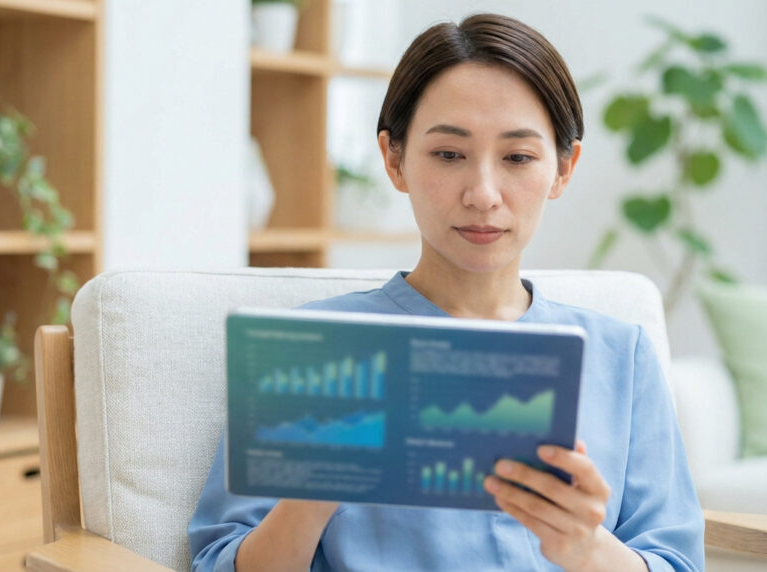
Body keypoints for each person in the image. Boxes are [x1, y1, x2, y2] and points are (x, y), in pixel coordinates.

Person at [188, 13, 704, 572]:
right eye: (449, 154)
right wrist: (311, 492)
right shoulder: (311, 350)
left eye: (518, 157)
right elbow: (219, 564)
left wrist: (586, 547)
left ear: (563, 168)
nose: (483, 194)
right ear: (394, 159)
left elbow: (675, 561)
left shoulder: (620, 355)